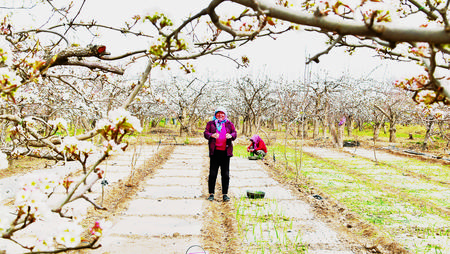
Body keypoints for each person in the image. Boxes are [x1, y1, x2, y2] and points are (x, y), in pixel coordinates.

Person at [204, 107, 237, 202]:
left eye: (222, 113)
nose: (220, 115)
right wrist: (211, 135)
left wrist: (231, 136)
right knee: (213, 173)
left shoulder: (229, 124)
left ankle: (225, 194)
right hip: (215, 152)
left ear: (225, 115)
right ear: (215, 115)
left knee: (225, 174)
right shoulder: (210, 124)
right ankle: (211, 193)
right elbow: (205, 133)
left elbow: (235, 133)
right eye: (218, 113)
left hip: (226, 152)